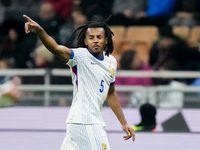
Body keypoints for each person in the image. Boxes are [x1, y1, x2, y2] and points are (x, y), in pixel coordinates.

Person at [23, 14, 135, 149]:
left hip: (80, 122)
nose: (95, 41)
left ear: (106, 40)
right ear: (85, 40)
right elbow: (56, 48)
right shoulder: (79, 56)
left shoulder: (111, 61)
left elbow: (110, 93)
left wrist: (123, 122)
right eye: (91, 37)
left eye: (99, 37)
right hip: (85, 122)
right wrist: (41, 31)